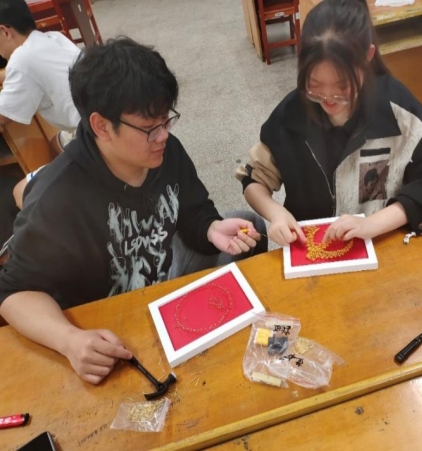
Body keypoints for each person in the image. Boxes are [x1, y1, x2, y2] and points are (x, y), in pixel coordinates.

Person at [0, 37, 267, 385]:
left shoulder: (163, 151)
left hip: (162, 276)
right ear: (101, 126)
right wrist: (70, 341)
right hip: (111, 317)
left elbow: (191, 208)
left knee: (249, 225)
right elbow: (13, 293)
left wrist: (210, 228)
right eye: (150, 128)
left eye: (166, 121)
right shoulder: (59, 199)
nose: (163, 136)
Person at [236, 0, 422, 247]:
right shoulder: (291, 116)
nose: (328, 99)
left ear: (368, 56)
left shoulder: (400, 114)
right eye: (315, 85)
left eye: (342, 86)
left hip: (381, 245)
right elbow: (253, 179)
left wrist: (371, 224)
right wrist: (276, 213)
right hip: (312, 249)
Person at [0, 0, 82, 208]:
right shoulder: (54, 38)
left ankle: (82, 187)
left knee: (19, 191)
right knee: (55, 142)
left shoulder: (21, 61)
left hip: (95, 139)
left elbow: (2, 117)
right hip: (94, 119)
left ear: (5, 31)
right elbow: (23, 70)